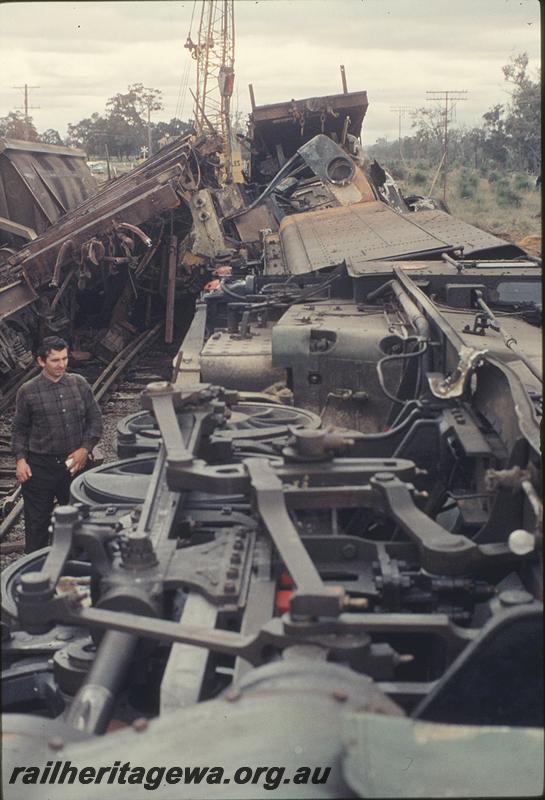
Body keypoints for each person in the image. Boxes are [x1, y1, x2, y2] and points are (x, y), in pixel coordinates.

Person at [12, 336, 103, 553]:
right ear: (41, 361)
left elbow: (95, 421)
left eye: (64, 358)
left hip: (74, 465)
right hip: (40, 468)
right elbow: (19, 430)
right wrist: (21, 460)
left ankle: (81, 569)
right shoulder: (28, 391)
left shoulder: (79, 384)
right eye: (55, 360)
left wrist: (85, 449)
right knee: (37, 526)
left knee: (81, 521)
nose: (62, 364)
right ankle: (35, 574)